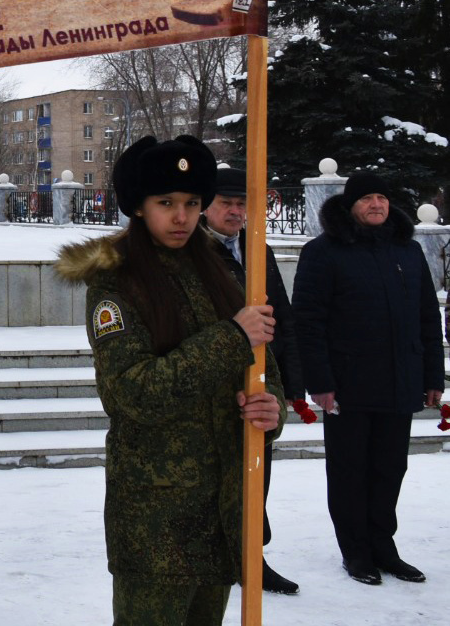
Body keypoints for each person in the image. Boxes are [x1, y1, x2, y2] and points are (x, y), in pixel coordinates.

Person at [55, 135, 282, 626]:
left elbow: (261, 363)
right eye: (166, 204)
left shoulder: (220, 273)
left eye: (192, 203)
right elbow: (131, 392)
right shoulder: (116, 284)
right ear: (139, 208)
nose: (182, 217)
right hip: (157, 521)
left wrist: (270, 407)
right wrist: (229, 338)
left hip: (221, 511)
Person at [292, 172, 445, 585]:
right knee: (349, 471)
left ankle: (384, 546)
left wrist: (433, 375)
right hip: (348, 384)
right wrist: (319, 382)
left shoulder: (408, 251)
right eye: (366, 198)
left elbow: (428, 317)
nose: (376, 204)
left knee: (389, 469)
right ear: (350, 205)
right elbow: (308, 322)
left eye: (382, 196)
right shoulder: (324, 252)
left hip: (401, 381)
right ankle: (356, 552)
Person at [202, 166, 304, 595]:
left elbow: (280, 310)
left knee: (256, 475)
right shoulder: (194, 252)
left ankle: (251, 557)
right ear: (206, 206)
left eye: (242, 204)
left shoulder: (254, 247)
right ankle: (221, 559)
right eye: (226, 203)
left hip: (261, 379)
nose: (235, 211)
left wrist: (292, 381)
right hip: (217, 380)